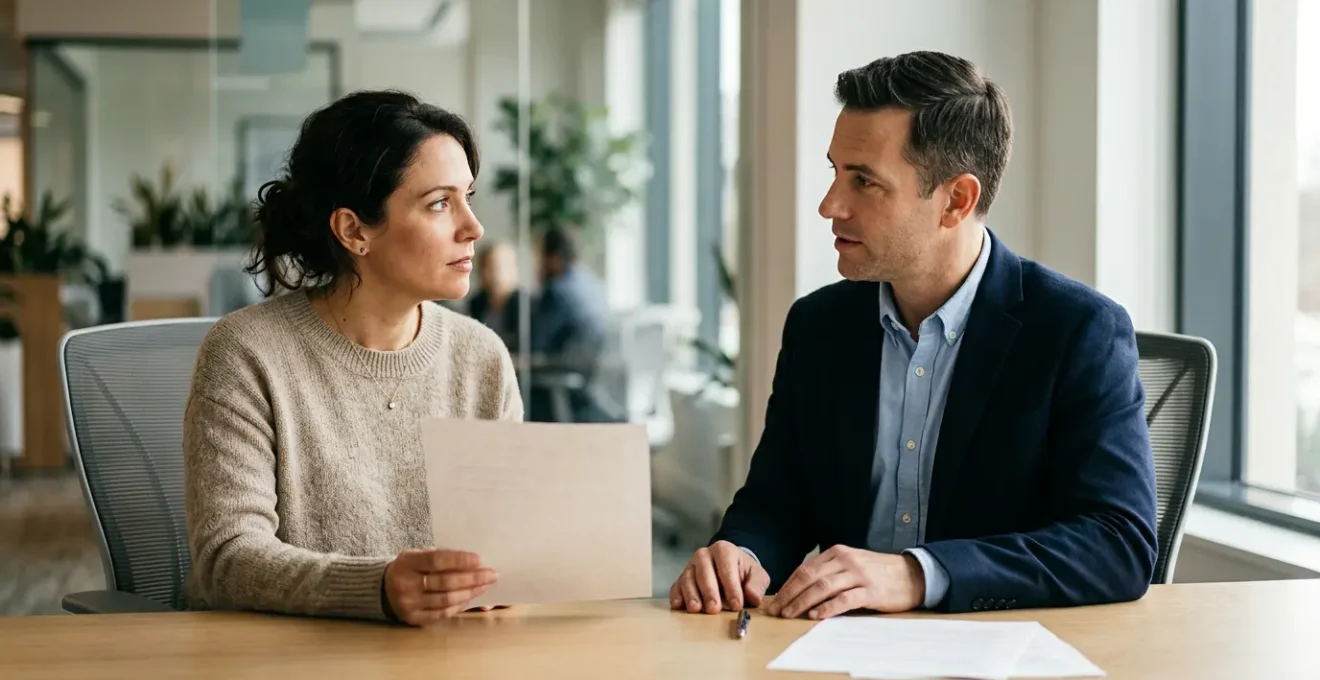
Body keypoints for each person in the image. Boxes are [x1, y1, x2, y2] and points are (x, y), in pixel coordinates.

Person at [670, 51, 1157, 619]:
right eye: (835, 172)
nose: (830, 205)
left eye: (865, 182)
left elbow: (1117, 542)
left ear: (956, 200)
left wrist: (919, 574)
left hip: (999, 653)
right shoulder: (818, 327)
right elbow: (779, 499)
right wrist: (743, 553)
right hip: (835, 648)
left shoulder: (1077, 330)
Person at [183, 90, 522, 627]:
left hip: (449, 658)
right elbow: (227, 559)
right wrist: (378, 588)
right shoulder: (246, 354)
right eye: (440, 203)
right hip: (287, 661)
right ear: (354, 230)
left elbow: (509, 542)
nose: (473, 227)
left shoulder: (481, 358)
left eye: (469, 198)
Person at [526, 227, 616, 422]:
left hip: (570, 377)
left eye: (540, 257)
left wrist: (540, 286)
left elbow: (534, 343)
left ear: (553, 258)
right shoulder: (592, 282)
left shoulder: (557, 291)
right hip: (594, 378)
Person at [467, 240, 523, 352]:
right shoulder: (476, 303)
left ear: (514, 271)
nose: (489, 273)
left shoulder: (524, 306)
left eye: (496, 267)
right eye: (484, 267)